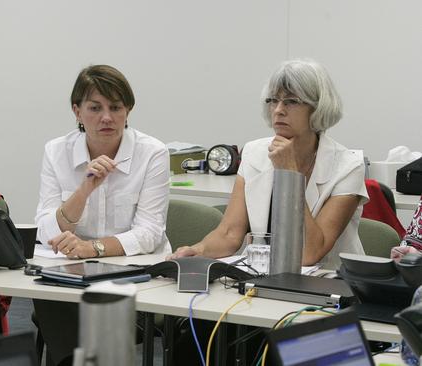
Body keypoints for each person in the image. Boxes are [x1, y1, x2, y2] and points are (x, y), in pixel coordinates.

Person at [170, 59, 368, 270]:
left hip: (327, 286)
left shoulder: (348, 166)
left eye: (291, 101)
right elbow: (229, 233)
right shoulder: (255, 153)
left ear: (318, 107)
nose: (278, 110)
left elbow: (310, 252)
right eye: (273, 100)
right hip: (261, 275)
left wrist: (290, 173)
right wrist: (198, 250)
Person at [33, 64, 171, 365]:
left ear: (128, 110)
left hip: (134, 273)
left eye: (116, 107)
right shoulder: (56, 151)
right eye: (95, 108)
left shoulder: (153, 153)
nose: (106, 117)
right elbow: (44, 229)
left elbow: (149, 234)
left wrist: (90, 248)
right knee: (49, 296)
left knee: (96, 307)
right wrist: (84, 190)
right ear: (77, 111)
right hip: (70, 271)